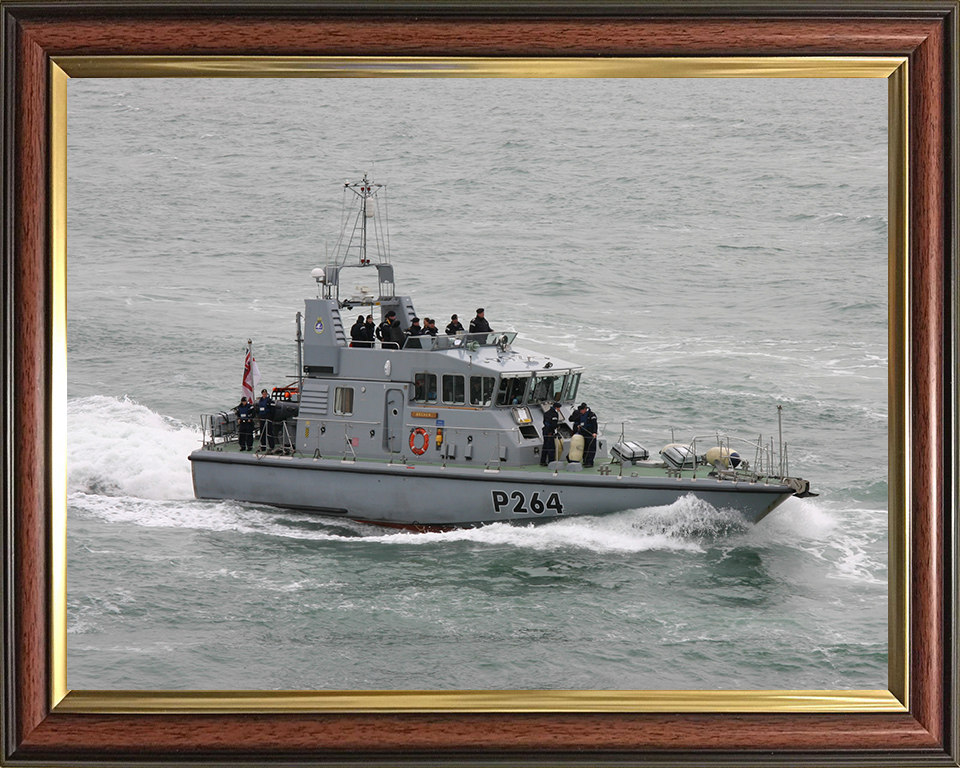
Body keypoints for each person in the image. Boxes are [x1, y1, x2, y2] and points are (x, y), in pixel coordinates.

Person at [569, 402, 599, 467]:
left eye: (581, 410)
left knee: (591, 448)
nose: (581, 412)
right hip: (583, 434)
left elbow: (595, 424)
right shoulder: (582, 416)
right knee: (584, 448)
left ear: (585, 409)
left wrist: (594, 432)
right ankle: (585, 461)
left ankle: (590, 462)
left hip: (590, 434)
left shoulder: (591, 415)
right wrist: (579, 426)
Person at [540, 400, 562, 466]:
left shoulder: (546, 413)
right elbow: (554, 424)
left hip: (545, 430)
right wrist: (557, 427)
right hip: (550, 432)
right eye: (558, 408)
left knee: (545, 446)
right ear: (556, 408)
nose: (559, 409)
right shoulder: (554, 414)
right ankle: (551, 462)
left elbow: (544, 422)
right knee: (551, 447)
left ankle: (542, 461)